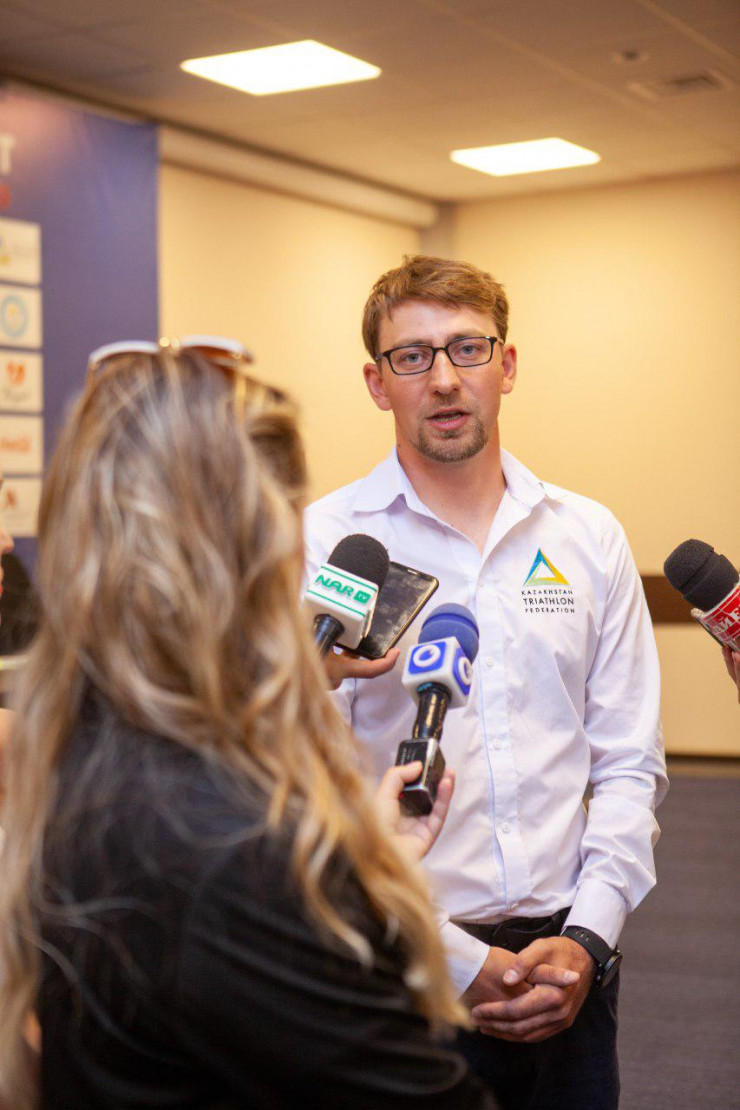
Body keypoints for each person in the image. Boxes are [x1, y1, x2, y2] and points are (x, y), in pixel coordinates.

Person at [0, 341, 498, 1110]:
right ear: (261, 547)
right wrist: (341, 894)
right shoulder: (233, 847)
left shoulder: (76, 750)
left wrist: (368, 865)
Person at [304, 255, 668, 1110]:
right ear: (377, 383)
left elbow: (628, 763)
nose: (443, 379)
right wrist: (456, 960)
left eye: (468, 348)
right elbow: (305, 788)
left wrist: (588, 941)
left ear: (506, 366)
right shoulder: (326, 543)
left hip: (569, 972)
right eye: (412, 356)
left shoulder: (587, 536)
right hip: (397, 969)